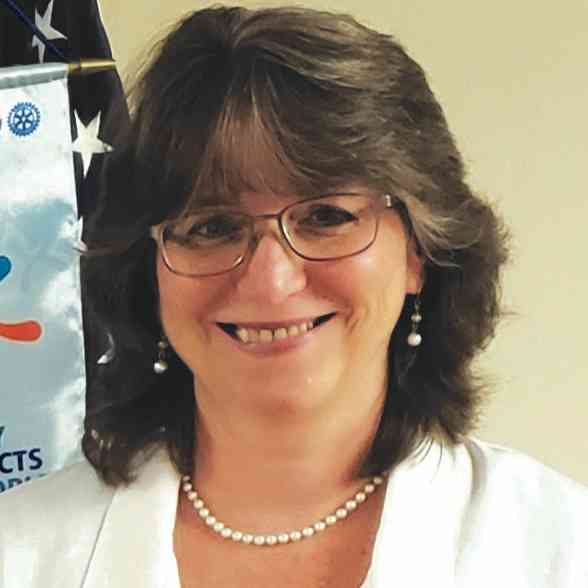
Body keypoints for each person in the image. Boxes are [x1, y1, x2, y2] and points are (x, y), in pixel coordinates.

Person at [1, 5, 587, 587]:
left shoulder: (561, 546)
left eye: (326, 216)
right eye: (212, 227)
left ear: (418, 250)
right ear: (148, 270)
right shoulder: (18, 552)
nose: (271, 280)